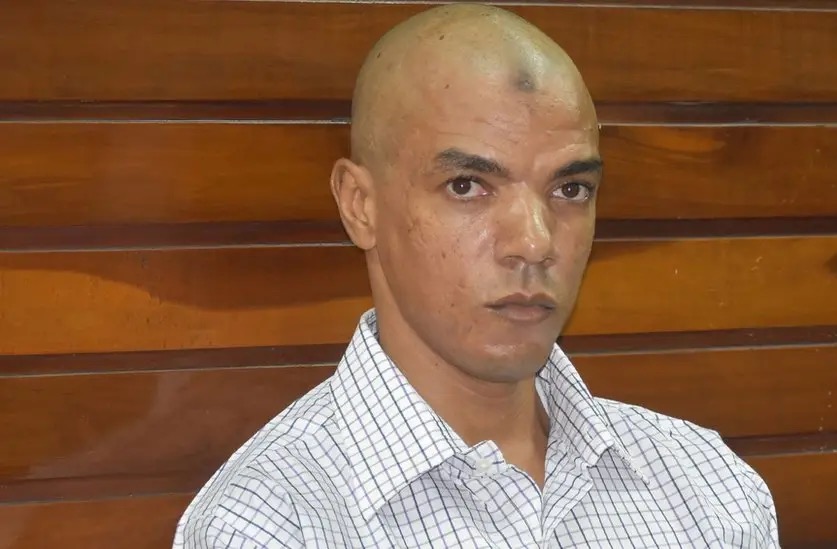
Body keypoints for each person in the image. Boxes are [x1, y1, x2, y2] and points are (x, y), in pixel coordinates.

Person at [173, 4, 779, 547]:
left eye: (570, 189)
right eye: (467, 186)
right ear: (361, 206)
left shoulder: (707, 491)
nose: (535, 243)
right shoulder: (270, 526)